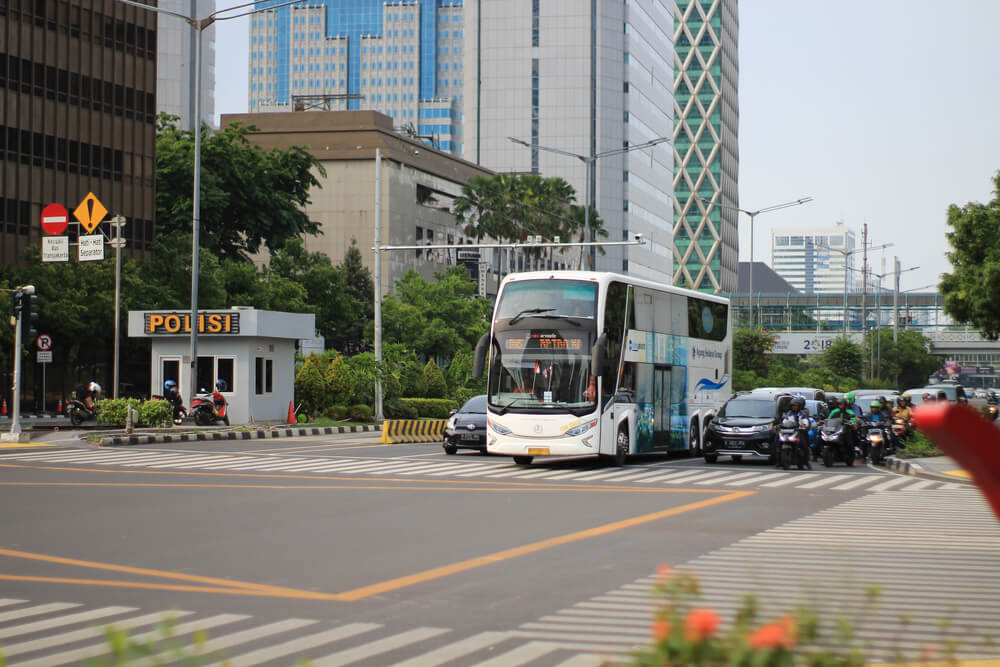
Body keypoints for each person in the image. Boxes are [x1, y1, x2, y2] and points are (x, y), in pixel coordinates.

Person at [779, 396, 812, 469]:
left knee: (804, 445)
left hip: (799, 431)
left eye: (795, 406)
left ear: (799, 406)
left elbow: (805, 421)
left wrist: (804, 425)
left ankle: (806, 462)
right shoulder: (789, 413)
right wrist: (781, 425)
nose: (794, 407)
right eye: (793, 406)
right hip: (789, 431)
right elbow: (785, 421)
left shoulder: (802, 414)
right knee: (777, 441)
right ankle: (779, 461)